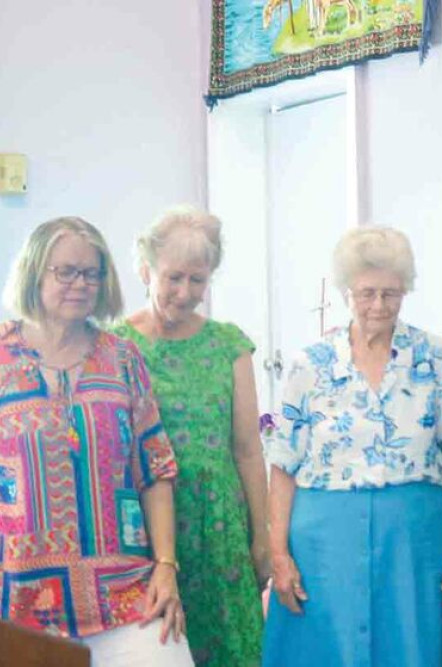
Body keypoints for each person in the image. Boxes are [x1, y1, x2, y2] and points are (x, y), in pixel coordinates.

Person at [262, 225, 442, 666]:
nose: (378, 306)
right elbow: (282, 467)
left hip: (414, 543)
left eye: (390, 294)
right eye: (366, 293)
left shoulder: (435, 357)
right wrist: (279, 555)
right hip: (324, 544)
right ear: (345, 292)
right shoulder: (310, 364)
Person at [0, 217, 192, 666]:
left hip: (123, 592)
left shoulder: (122, 357)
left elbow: (156, 469)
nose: (81, 283)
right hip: (17, 600)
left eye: (92, 272)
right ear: (35, 272)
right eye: (65, 271)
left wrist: (166, 567)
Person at [111, 206, 269, 666]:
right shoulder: (115, 346)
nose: (185, 292)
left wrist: (261, 535)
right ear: (146, 271)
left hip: (219, 524)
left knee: (232, 651)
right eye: (173, 277)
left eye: (197, 280)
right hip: (147, 526)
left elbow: (247, 450)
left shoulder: (228, 344)